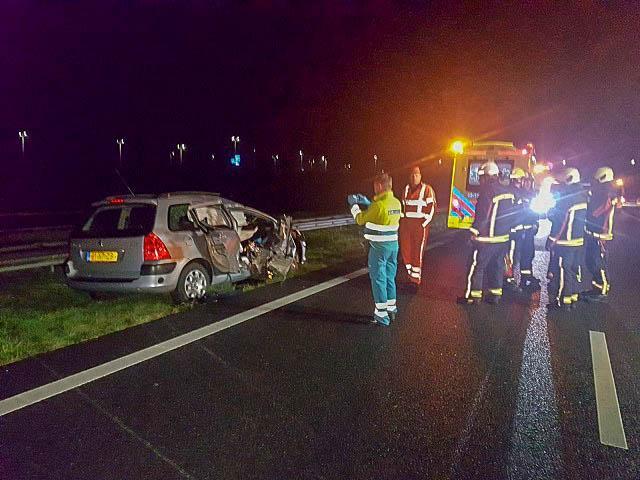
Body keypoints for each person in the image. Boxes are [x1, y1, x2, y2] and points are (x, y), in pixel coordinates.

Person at [457, 161, 516, 305]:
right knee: (497, 266)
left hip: (486, 239)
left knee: (477, 266)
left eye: (481, 177)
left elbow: (483, 215)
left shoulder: (487, 192)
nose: (480, 181)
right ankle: (495, 295)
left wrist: (473, 232)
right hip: (503, 239)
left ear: (487, 176)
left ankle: (473, 296)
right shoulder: (508, 191)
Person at [348, 173, 402, 325]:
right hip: (393, 247)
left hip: (378, 248)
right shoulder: (396, 203)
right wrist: (369, 202)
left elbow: (360, 219)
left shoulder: (378, 206)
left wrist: (354, 205)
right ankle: (392, 309)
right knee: (390, 278)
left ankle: (381, 315)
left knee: (379, 279)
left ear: (379, 186)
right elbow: (379, 211)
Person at [546, 168, 588, 310]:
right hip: (578, 240)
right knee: (573, 269)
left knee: (563, 270)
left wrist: (552, 240)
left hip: (565, 241)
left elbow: (560, 222)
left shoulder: (568, 198)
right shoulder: (582, 195)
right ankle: (572, 297)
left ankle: (562, 300)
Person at [582, 166, 621, 302]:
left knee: (598, 262)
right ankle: (596, 287)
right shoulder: (602, 191)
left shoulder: (609, 193)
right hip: (594, 233)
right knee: (591, 260)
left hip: (602, 235)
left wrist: (586, 205)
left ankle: (602, 290)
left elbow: (596, 212)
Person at [399, 165, 436, 291]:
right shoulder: (406, 189)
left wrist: (423, 224)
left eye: (416, 175)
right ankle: (410, 276)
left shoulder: (427, 189)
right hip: (406, 227)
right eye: (412, 175)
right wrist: (402, 223)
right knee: (406, 251)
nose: (414, 177)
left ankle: (415, 281)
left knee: (417, 253)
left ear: (420, 176)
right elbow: (402, 208)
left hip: (419, 226)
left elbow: (431, 209)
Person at [504, 168, 540, 290]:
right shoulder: (511, 194)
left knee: (528, 254)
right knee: (513, 255)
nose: (526, 183)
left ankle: (526, 278)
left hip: (527, 230)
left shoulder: (526, 194)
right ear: (518, 180)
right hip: (515, 232)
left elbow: (532, 211)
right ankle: (509, 279)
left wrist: (535, 222)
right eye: (524, 180)